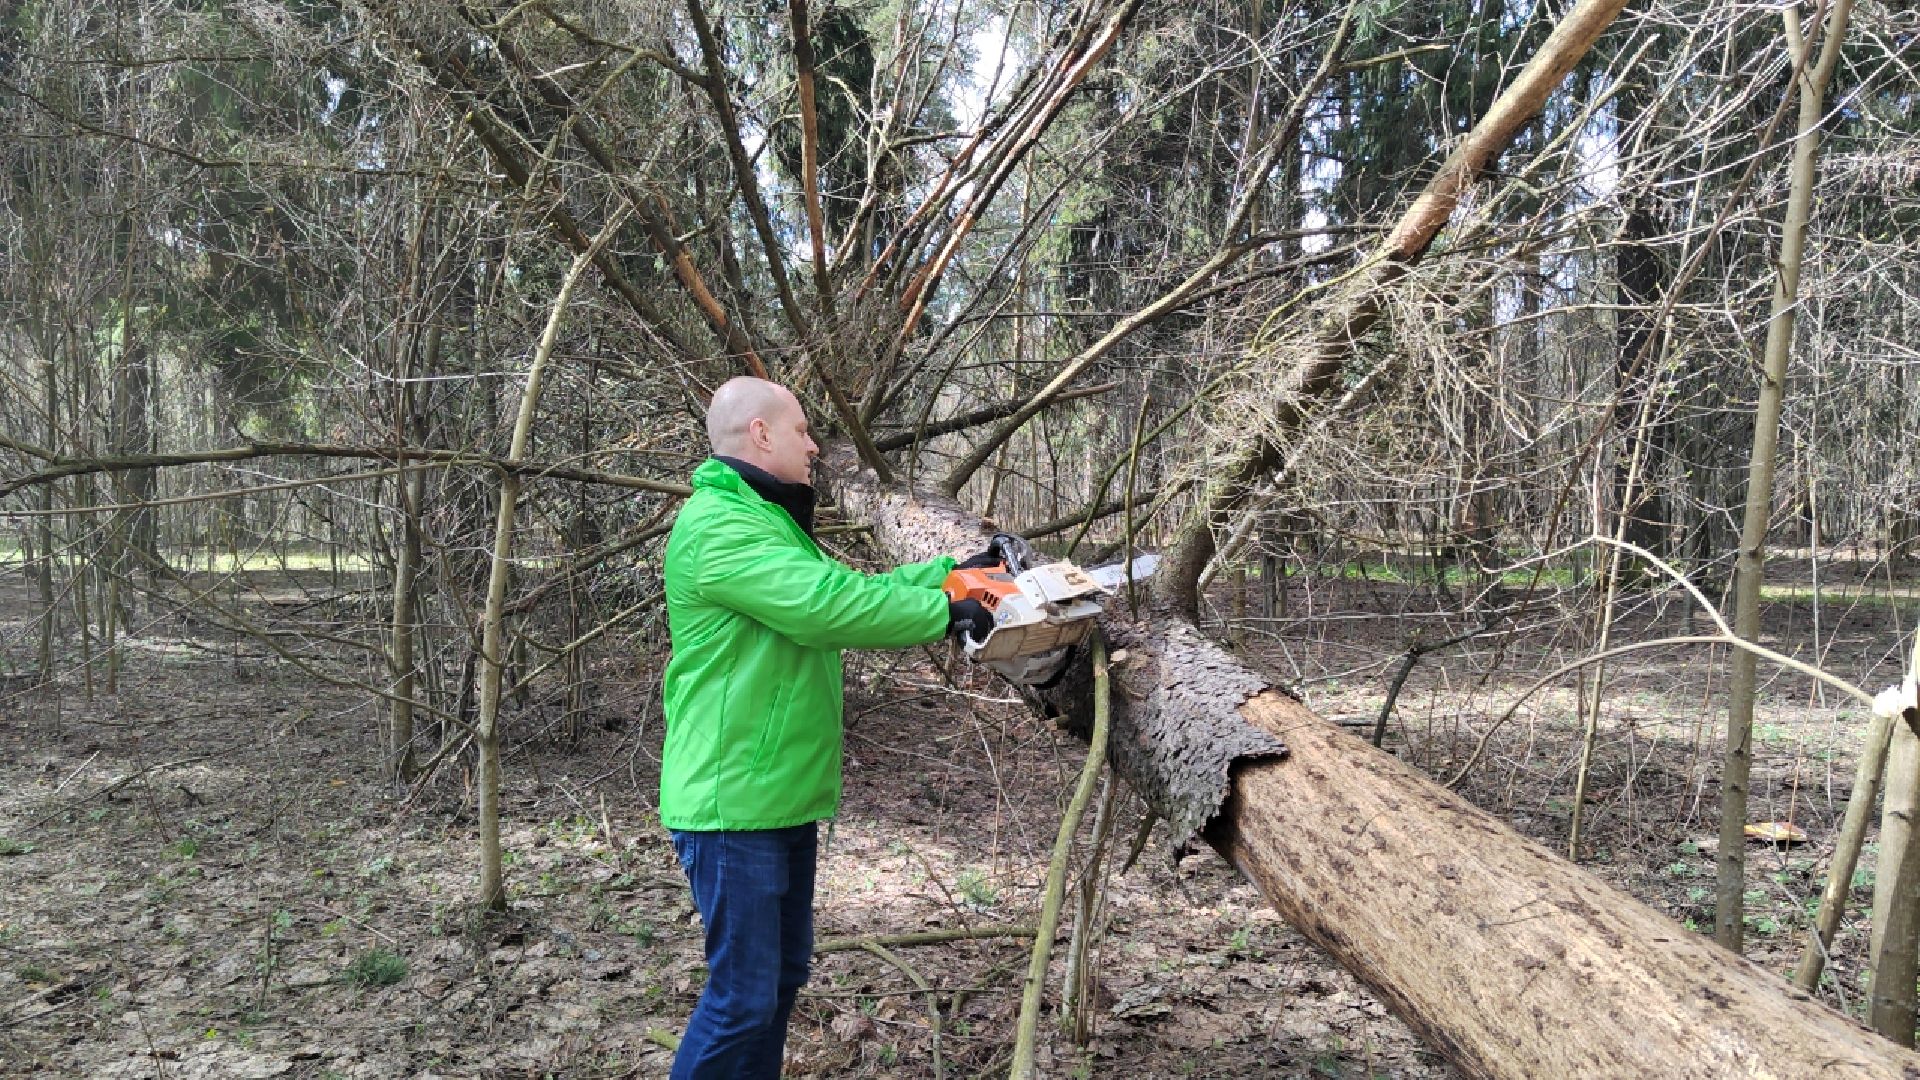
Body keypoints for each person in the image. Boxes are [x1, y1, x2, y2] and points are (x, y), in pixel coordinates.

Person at [659, 376, 993, 1079]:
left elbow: (849, 590)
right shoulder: (719, 526)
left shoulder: (763, 519)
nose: (813, 446)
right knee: (741, 1000)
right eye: (803, 431)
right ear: (760, 434)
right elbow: (822, 608)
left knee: (776, 985)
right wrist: (943, 613)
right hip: (731, 803)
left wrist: (952, 576)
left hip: (773, 795)